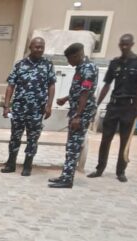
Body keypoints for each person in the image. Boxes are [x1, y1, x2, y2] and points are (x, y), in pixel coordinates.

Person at [89, 34, 137, 183]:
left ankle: (121, 171)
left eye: (127, 44)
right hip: (114, 104)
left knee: (125, 140)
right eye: (122, 44)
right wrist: (96, 104)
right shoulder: (115, 63)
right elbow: (107, 84)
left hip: (129, 105)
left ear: (132, 44)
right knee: (106, 138)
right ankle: (100, 168)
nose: (124, 47)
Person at [2, 37, 56, 176]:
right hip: (19, 108)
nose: (39, 49)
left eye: (41, 47)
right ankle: (11, 163)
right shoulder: (20, 65)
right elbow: (10, 86)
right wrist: (7, 106)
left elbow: (51, 85)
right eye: (36, 47)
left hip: (37, 109)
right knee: (15, 136)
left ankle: (27, 165)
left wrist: (49, 105)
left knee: (33, 138)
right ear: (30, 47)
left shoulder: (48, 65)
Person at [49, 43, 99, 188]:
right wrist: (66, 98)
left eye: (69, 59)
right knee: (71, 145)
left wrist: (78, 116)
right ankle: (66, 175)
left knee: (73, 146)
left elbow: (85, 93)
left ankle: (67, 179)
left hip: (81, 113)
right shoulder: (81, 67)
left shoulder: (88, 68)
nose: (68, 62)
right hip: (78, 110)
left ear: (76, 55)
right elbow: (78, 92)